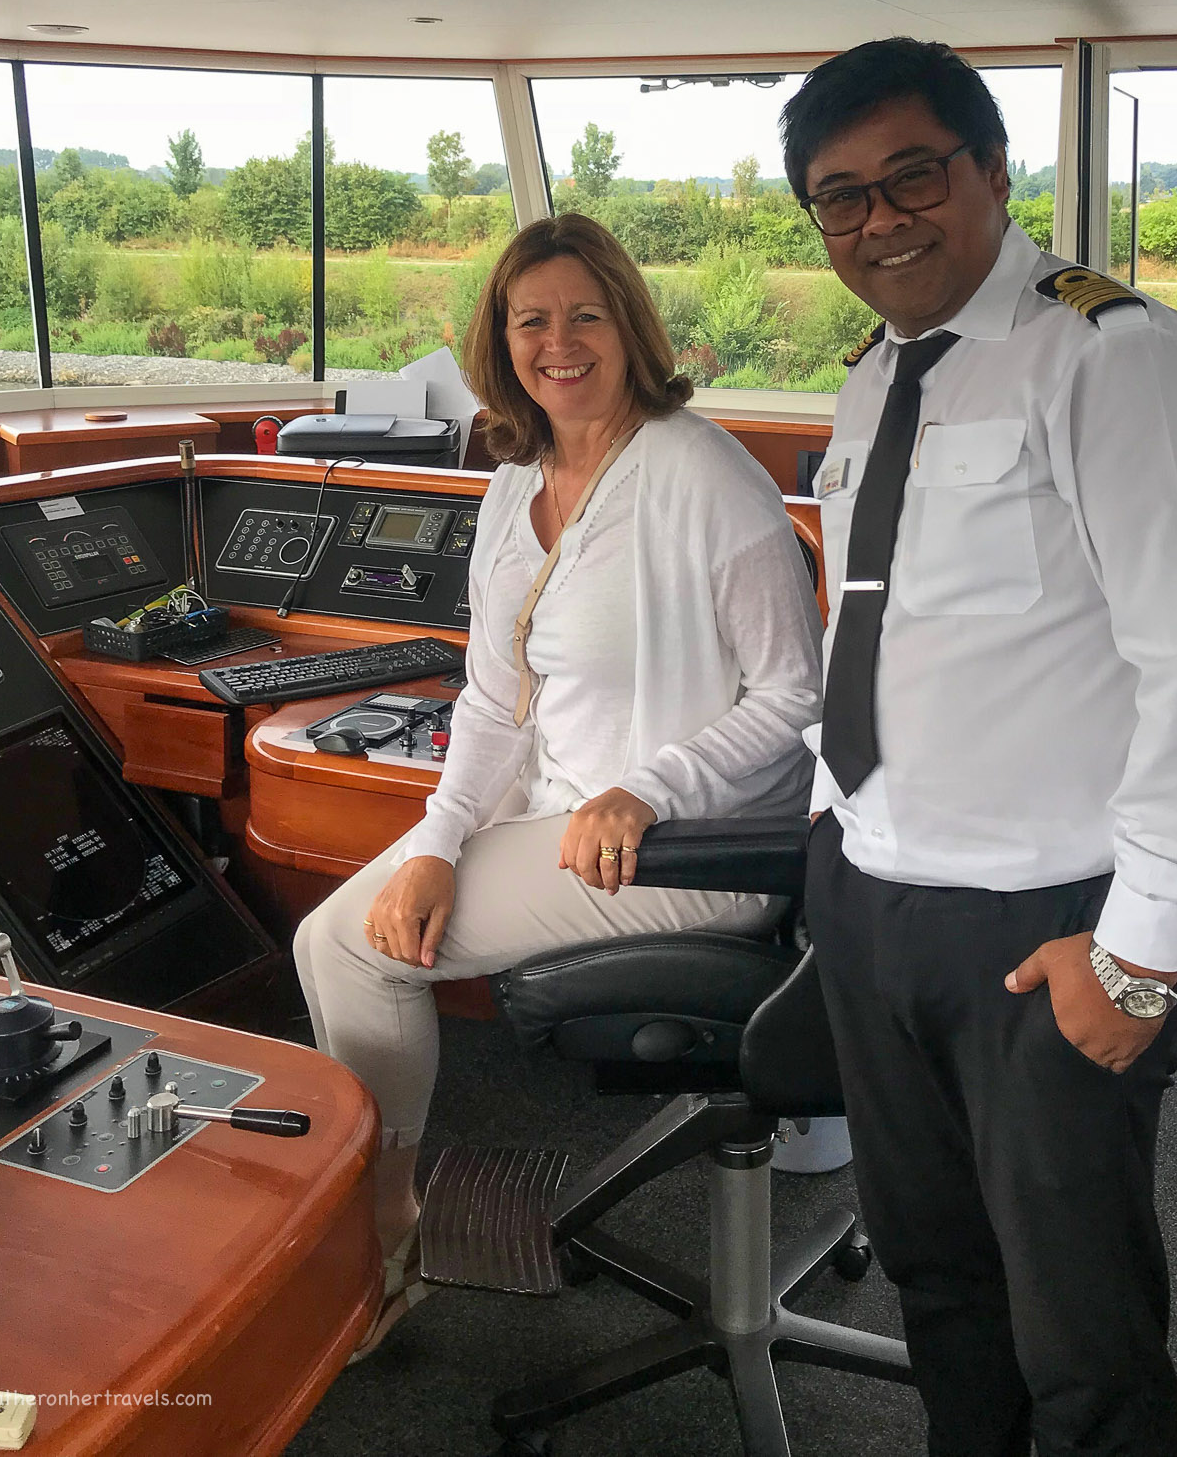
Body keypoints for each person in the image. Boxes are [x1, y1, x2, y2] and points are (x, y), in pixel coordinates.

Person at [780, 38, 1177, 1457]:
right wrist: (833, 834)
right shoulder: (876, 376)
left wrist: (1145, 950)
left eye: (911, 179)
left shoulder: (1121, 360)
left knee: (1082, 1335)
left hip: (1044, 931)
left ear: (992, 173)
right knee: (939, 1290)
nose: (879, 221)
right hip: (874, 900)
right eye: (839, 199)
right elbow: (874, 619)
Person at [294, 211, 822, 1355]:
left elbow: (792, 691)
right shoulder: (511, 486)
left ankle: (381, 1224)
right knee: (345, 927)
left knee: (348, 948)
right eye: (530, 319)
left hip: (690, 848)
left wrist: (651, 786)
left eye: (585, 313)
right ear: (500, 340)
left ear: (628, 325)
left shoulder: (704, 475)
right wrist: (436, 840)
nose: (558, 341)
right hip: (560, 824)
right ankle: (382, 1205)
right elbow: (491, 702)